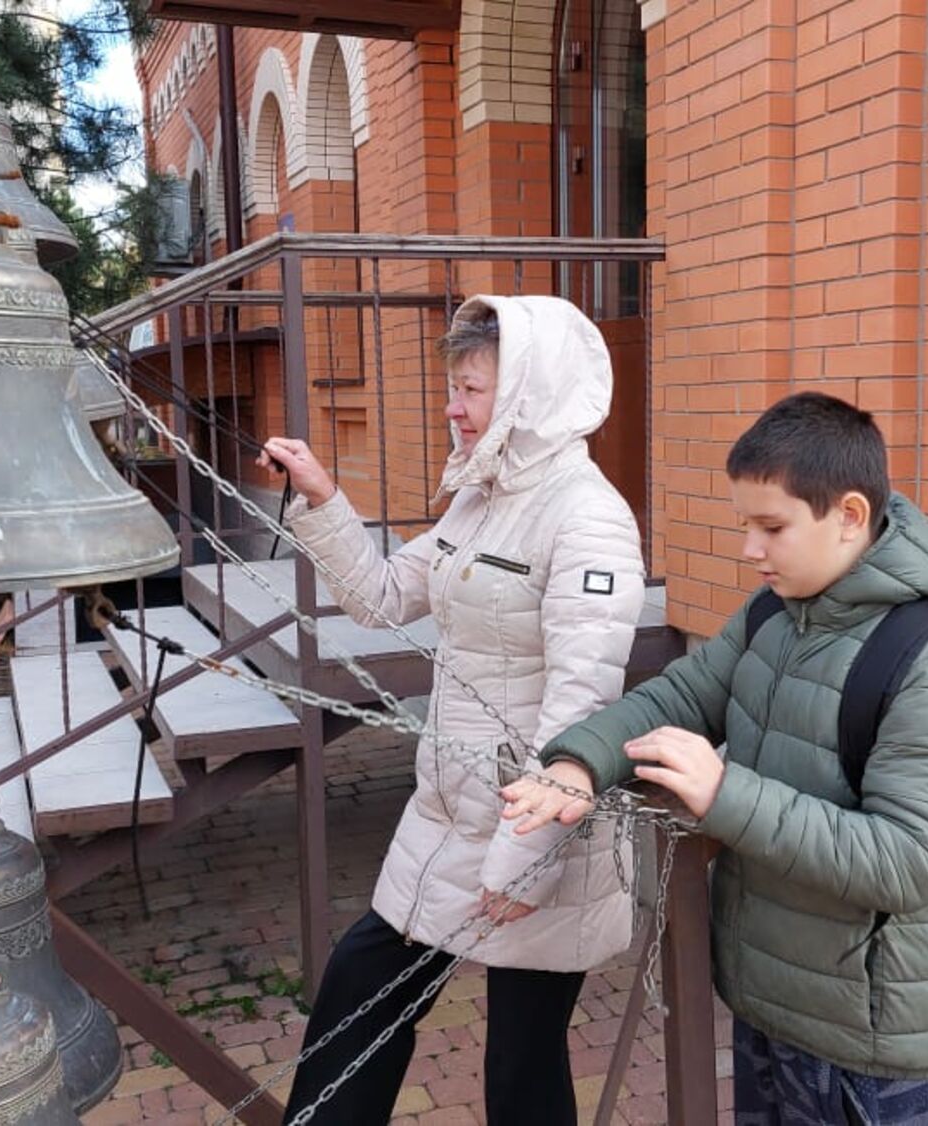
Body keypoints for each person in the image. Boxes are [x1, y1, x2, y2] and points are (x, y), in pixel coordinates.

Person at [506, 392, 928, 1126]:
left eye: (772, 527)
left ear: (850, 516)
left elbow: (911, 862)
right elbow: (680, 696)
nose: (750, 549)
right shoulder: (776, 613)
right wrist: (580, 762)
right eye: (746, 525)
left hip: (862, 1046)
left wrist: (724, 794)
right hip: (765, 1002)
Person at [256, 295, 648, 1125]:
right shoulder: (482, 495)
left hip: (531, 826)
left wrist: (525, 860)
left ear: (528, 396)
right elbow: (381, 596)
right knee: (360, 994)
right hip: (448, 815)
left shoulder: (589, 518)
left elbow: (583, 700)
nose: (453, 408)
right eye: (454, 388)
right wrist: (322, 497)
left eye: (471, 390)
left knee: (522, 1068)